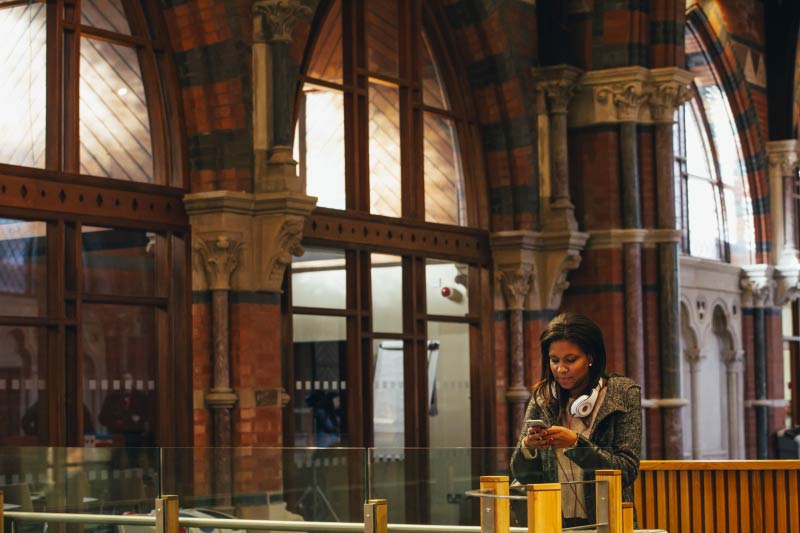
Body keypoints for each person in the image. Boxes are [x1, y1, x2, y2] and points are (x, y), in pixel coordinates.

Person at [510, 312, 641, 528]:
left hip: (607, 520)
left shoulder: (622, 393)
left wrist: (577, 444)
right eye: (554, 360)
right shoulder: (544, 397)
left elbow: (626, 470)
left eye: (571, 360)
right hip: (552, 521)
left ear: (590, 358)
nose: (561, 369)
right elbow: (520, 474)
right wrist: (527, 448)